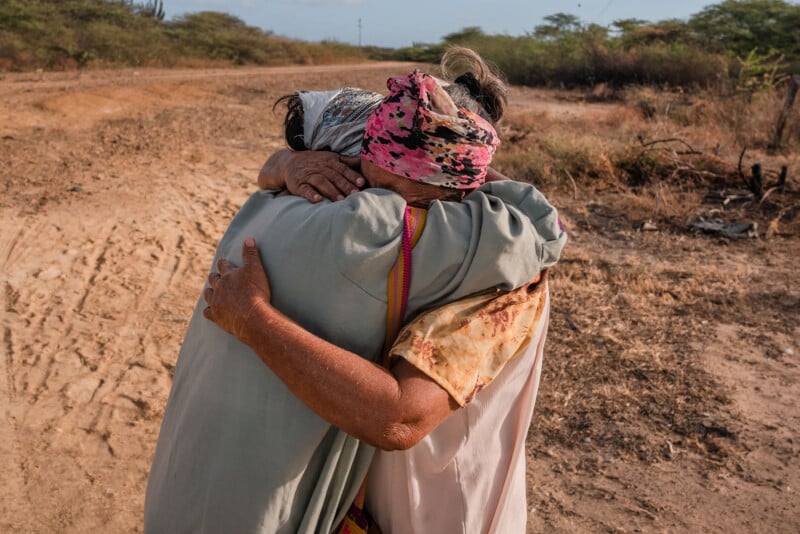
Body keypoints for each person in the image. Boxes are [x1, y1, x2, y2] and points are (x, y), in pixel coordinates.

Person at [145, 57, 565, 534]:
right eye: (367, 182)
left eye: (389, 192)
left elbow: (400, 417)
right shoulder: (453, 240)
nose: (366, 198)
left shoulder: (272, 206)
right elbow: (544, 224)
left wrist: (285, 165)